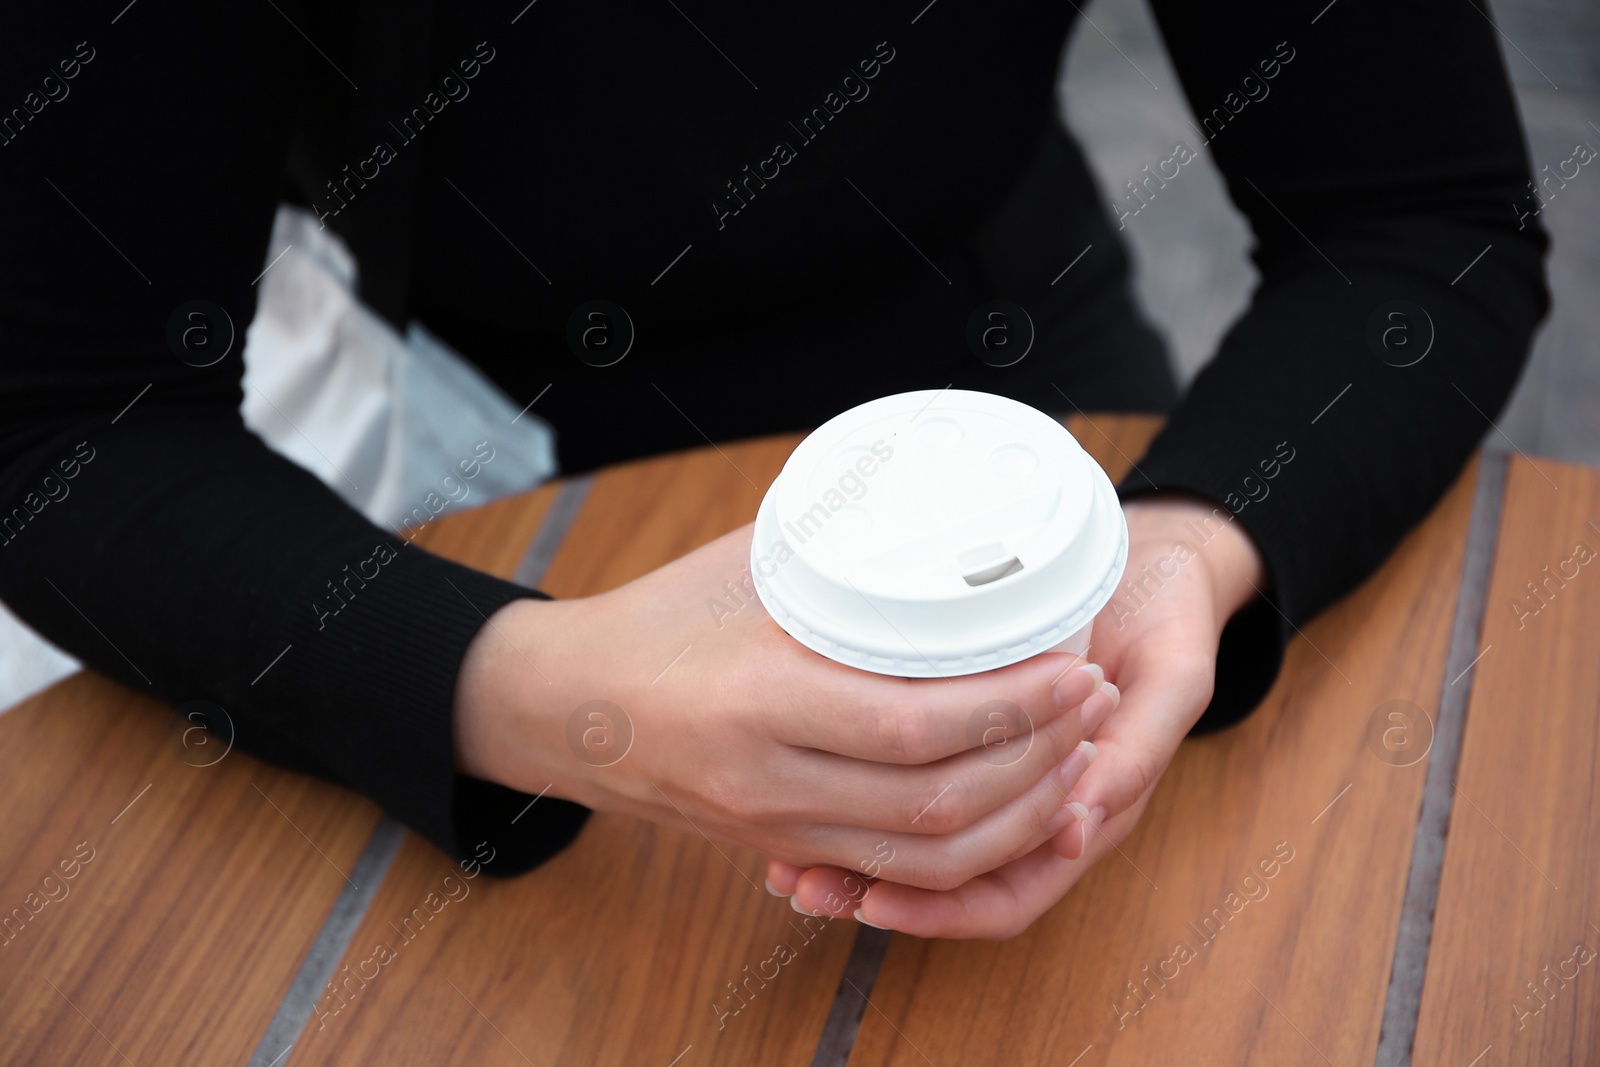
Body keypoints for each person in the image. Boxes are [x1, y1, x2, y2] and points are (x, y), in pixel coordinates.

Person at [0, 0, 1548, 940]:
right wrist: (550, 696)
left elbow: (1418, 216)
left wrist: (1189, 555)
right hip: (482, 438)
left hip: (1017, 366)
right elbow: (64, 418)